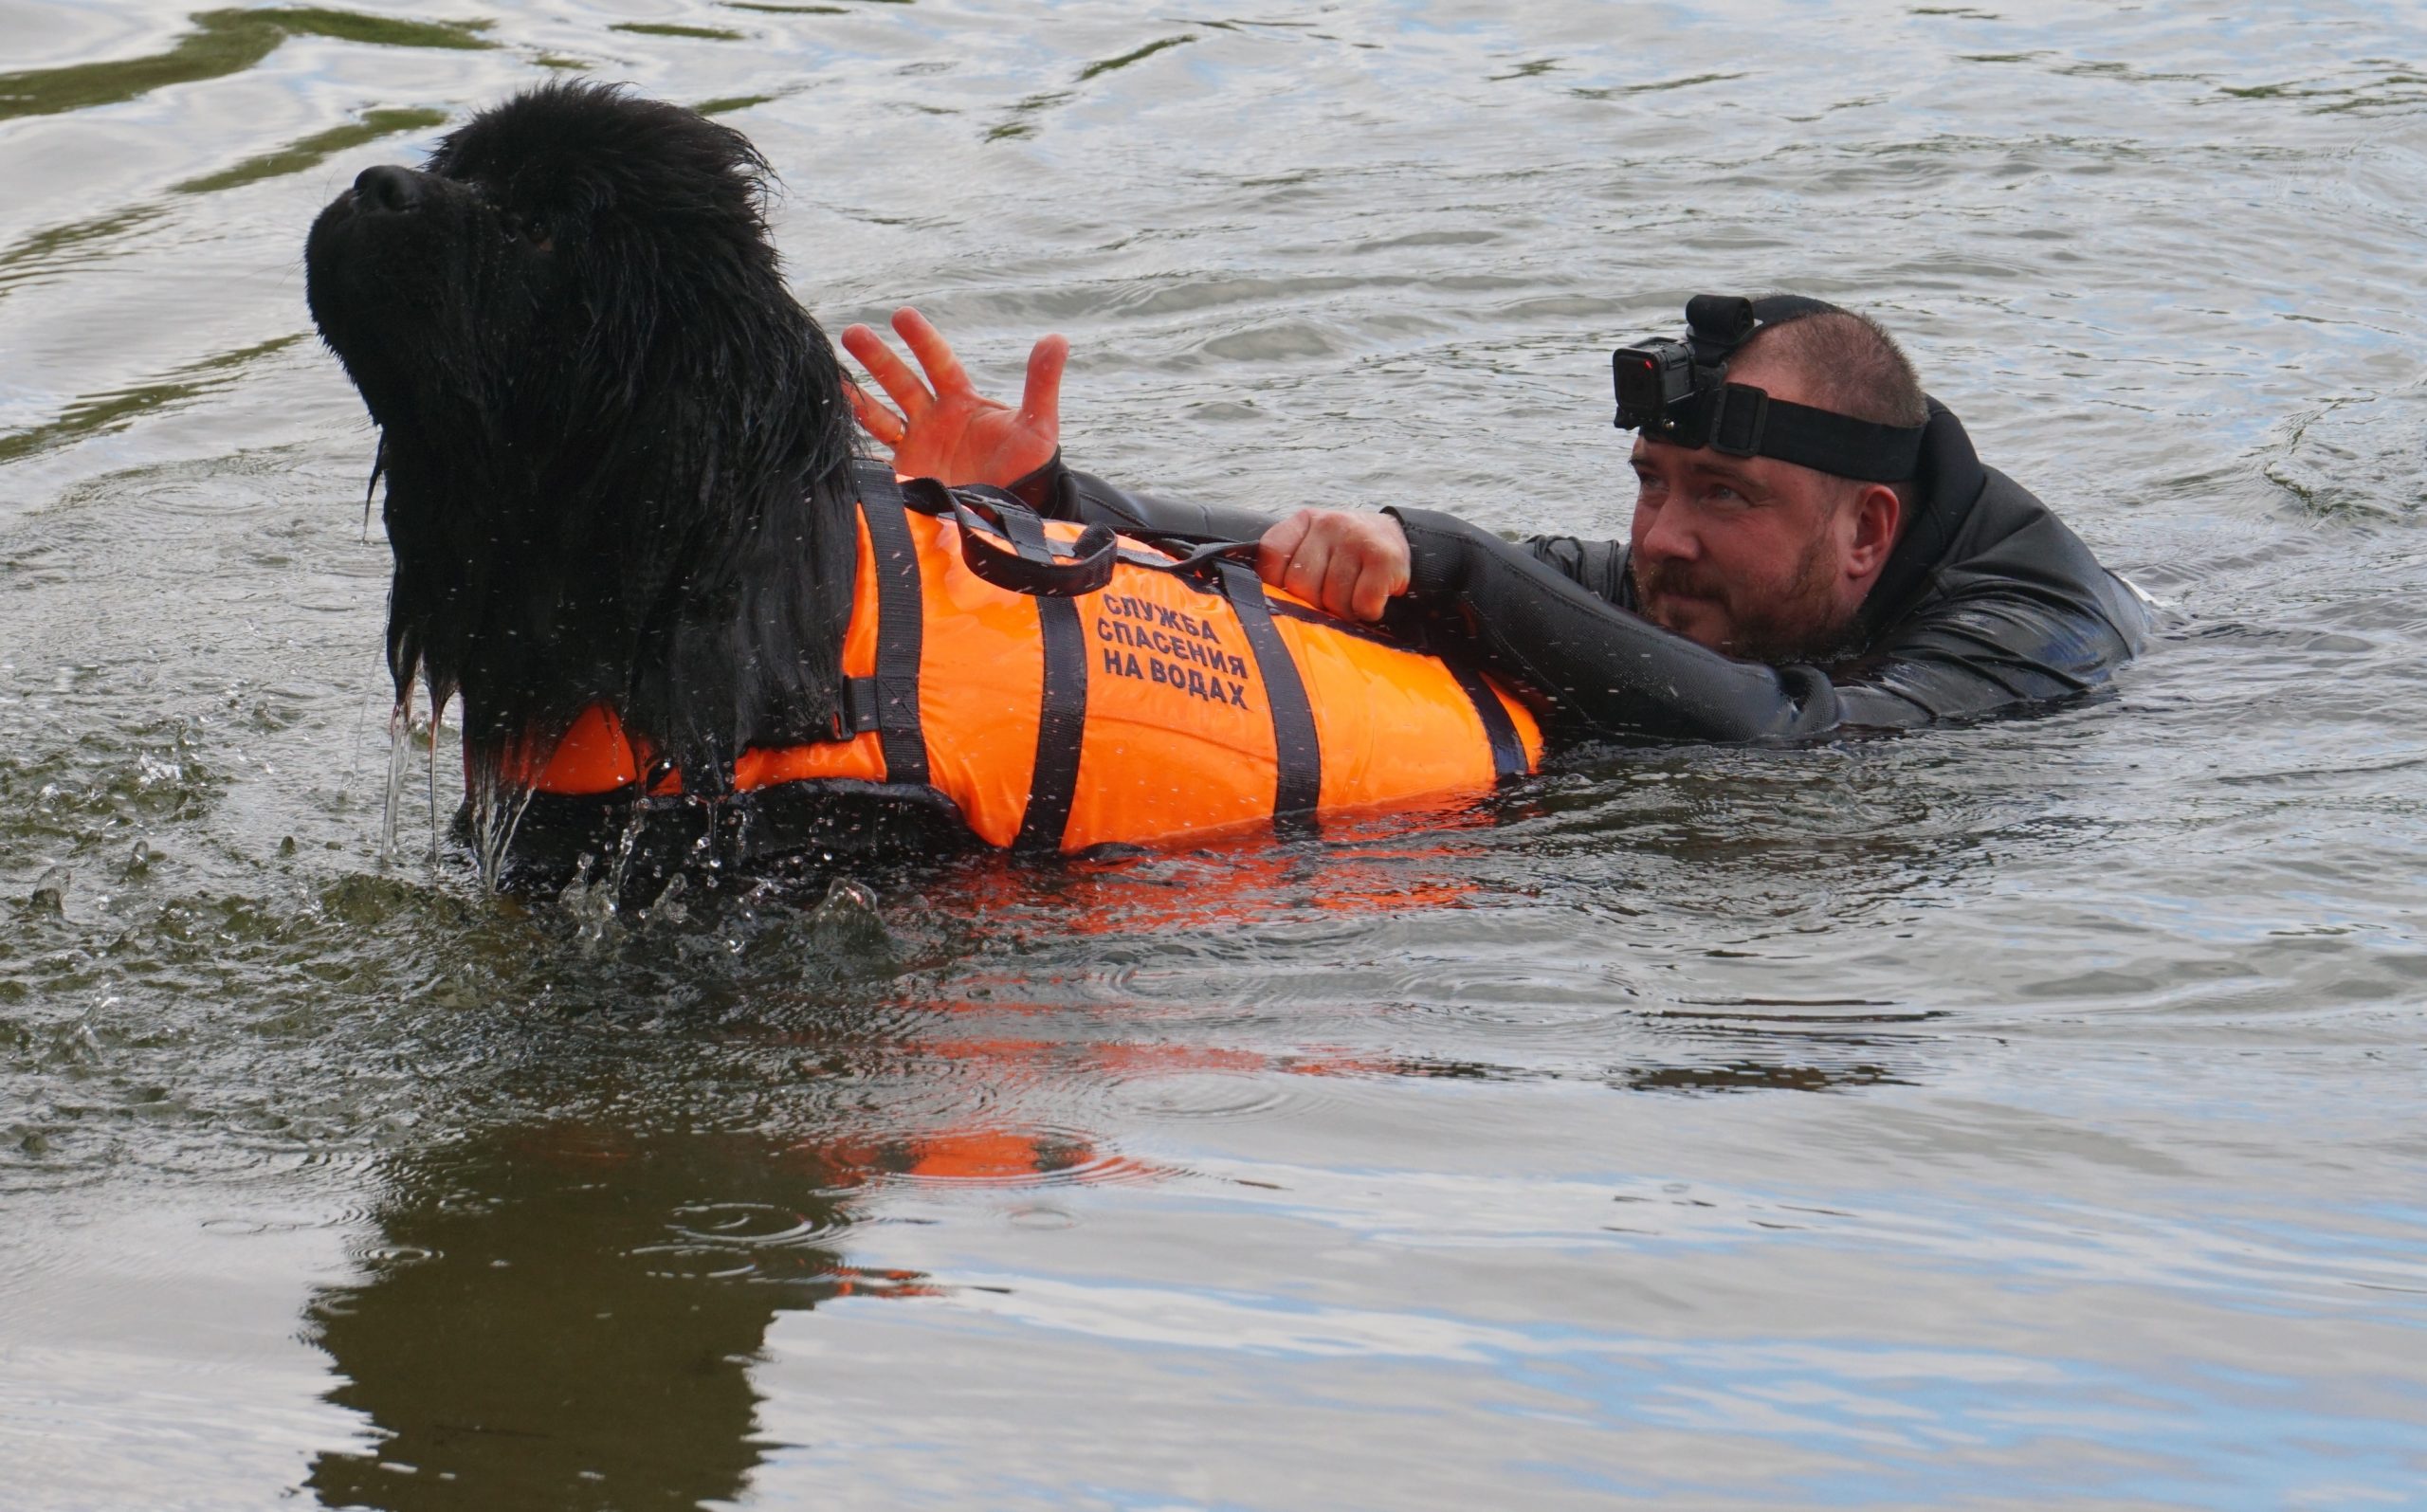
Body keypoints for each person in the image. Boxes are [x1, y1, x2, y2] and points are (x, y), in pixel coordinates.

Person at [840, 296, 2147, 744]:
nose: (1662, 542)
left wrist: (1451, 558)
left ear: (1869, 533)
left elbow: (1802, 735)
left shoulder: (2030, 636)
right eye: (1652, 485)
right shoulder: (1711, 580)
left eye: (1726, 498)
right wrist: (1058, 502)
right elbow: (1335, 547)